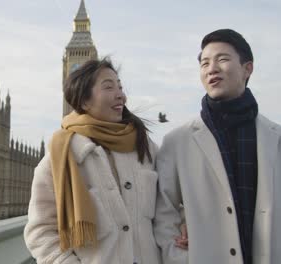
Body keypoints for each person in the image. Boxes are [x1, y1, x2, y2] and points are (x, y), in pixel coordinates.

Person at [154, 28, 281, 264]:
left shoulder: (276, 137)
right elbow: (163, 212)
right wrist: (179, 258)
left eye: (222, 59)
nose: (211, 68)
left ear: (247, 68)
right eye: (204, 63)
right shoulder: (177, 142)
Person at [24, 58, 162, 263]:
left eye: (120, 87)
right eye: (109, 87)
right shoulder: (62, 154)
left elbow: (171, 205)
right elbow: (40, 231)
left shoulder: (145, 146)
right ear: (84, 101)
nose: (120, 95)